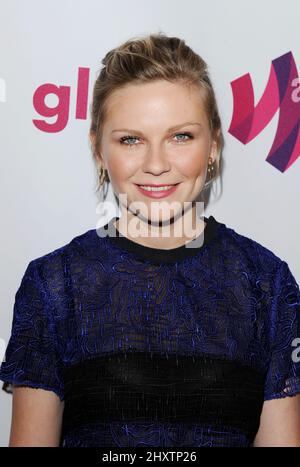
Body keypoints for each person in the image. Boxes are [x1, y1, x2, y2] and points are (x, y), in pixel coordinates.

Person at [0, 32, 300, 447]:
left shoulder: (267, 284)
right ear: (99, 151)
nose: (156, 164)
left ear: (214, 144)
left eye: (181, 136)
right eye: (131, 139)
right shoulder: (55, 285)